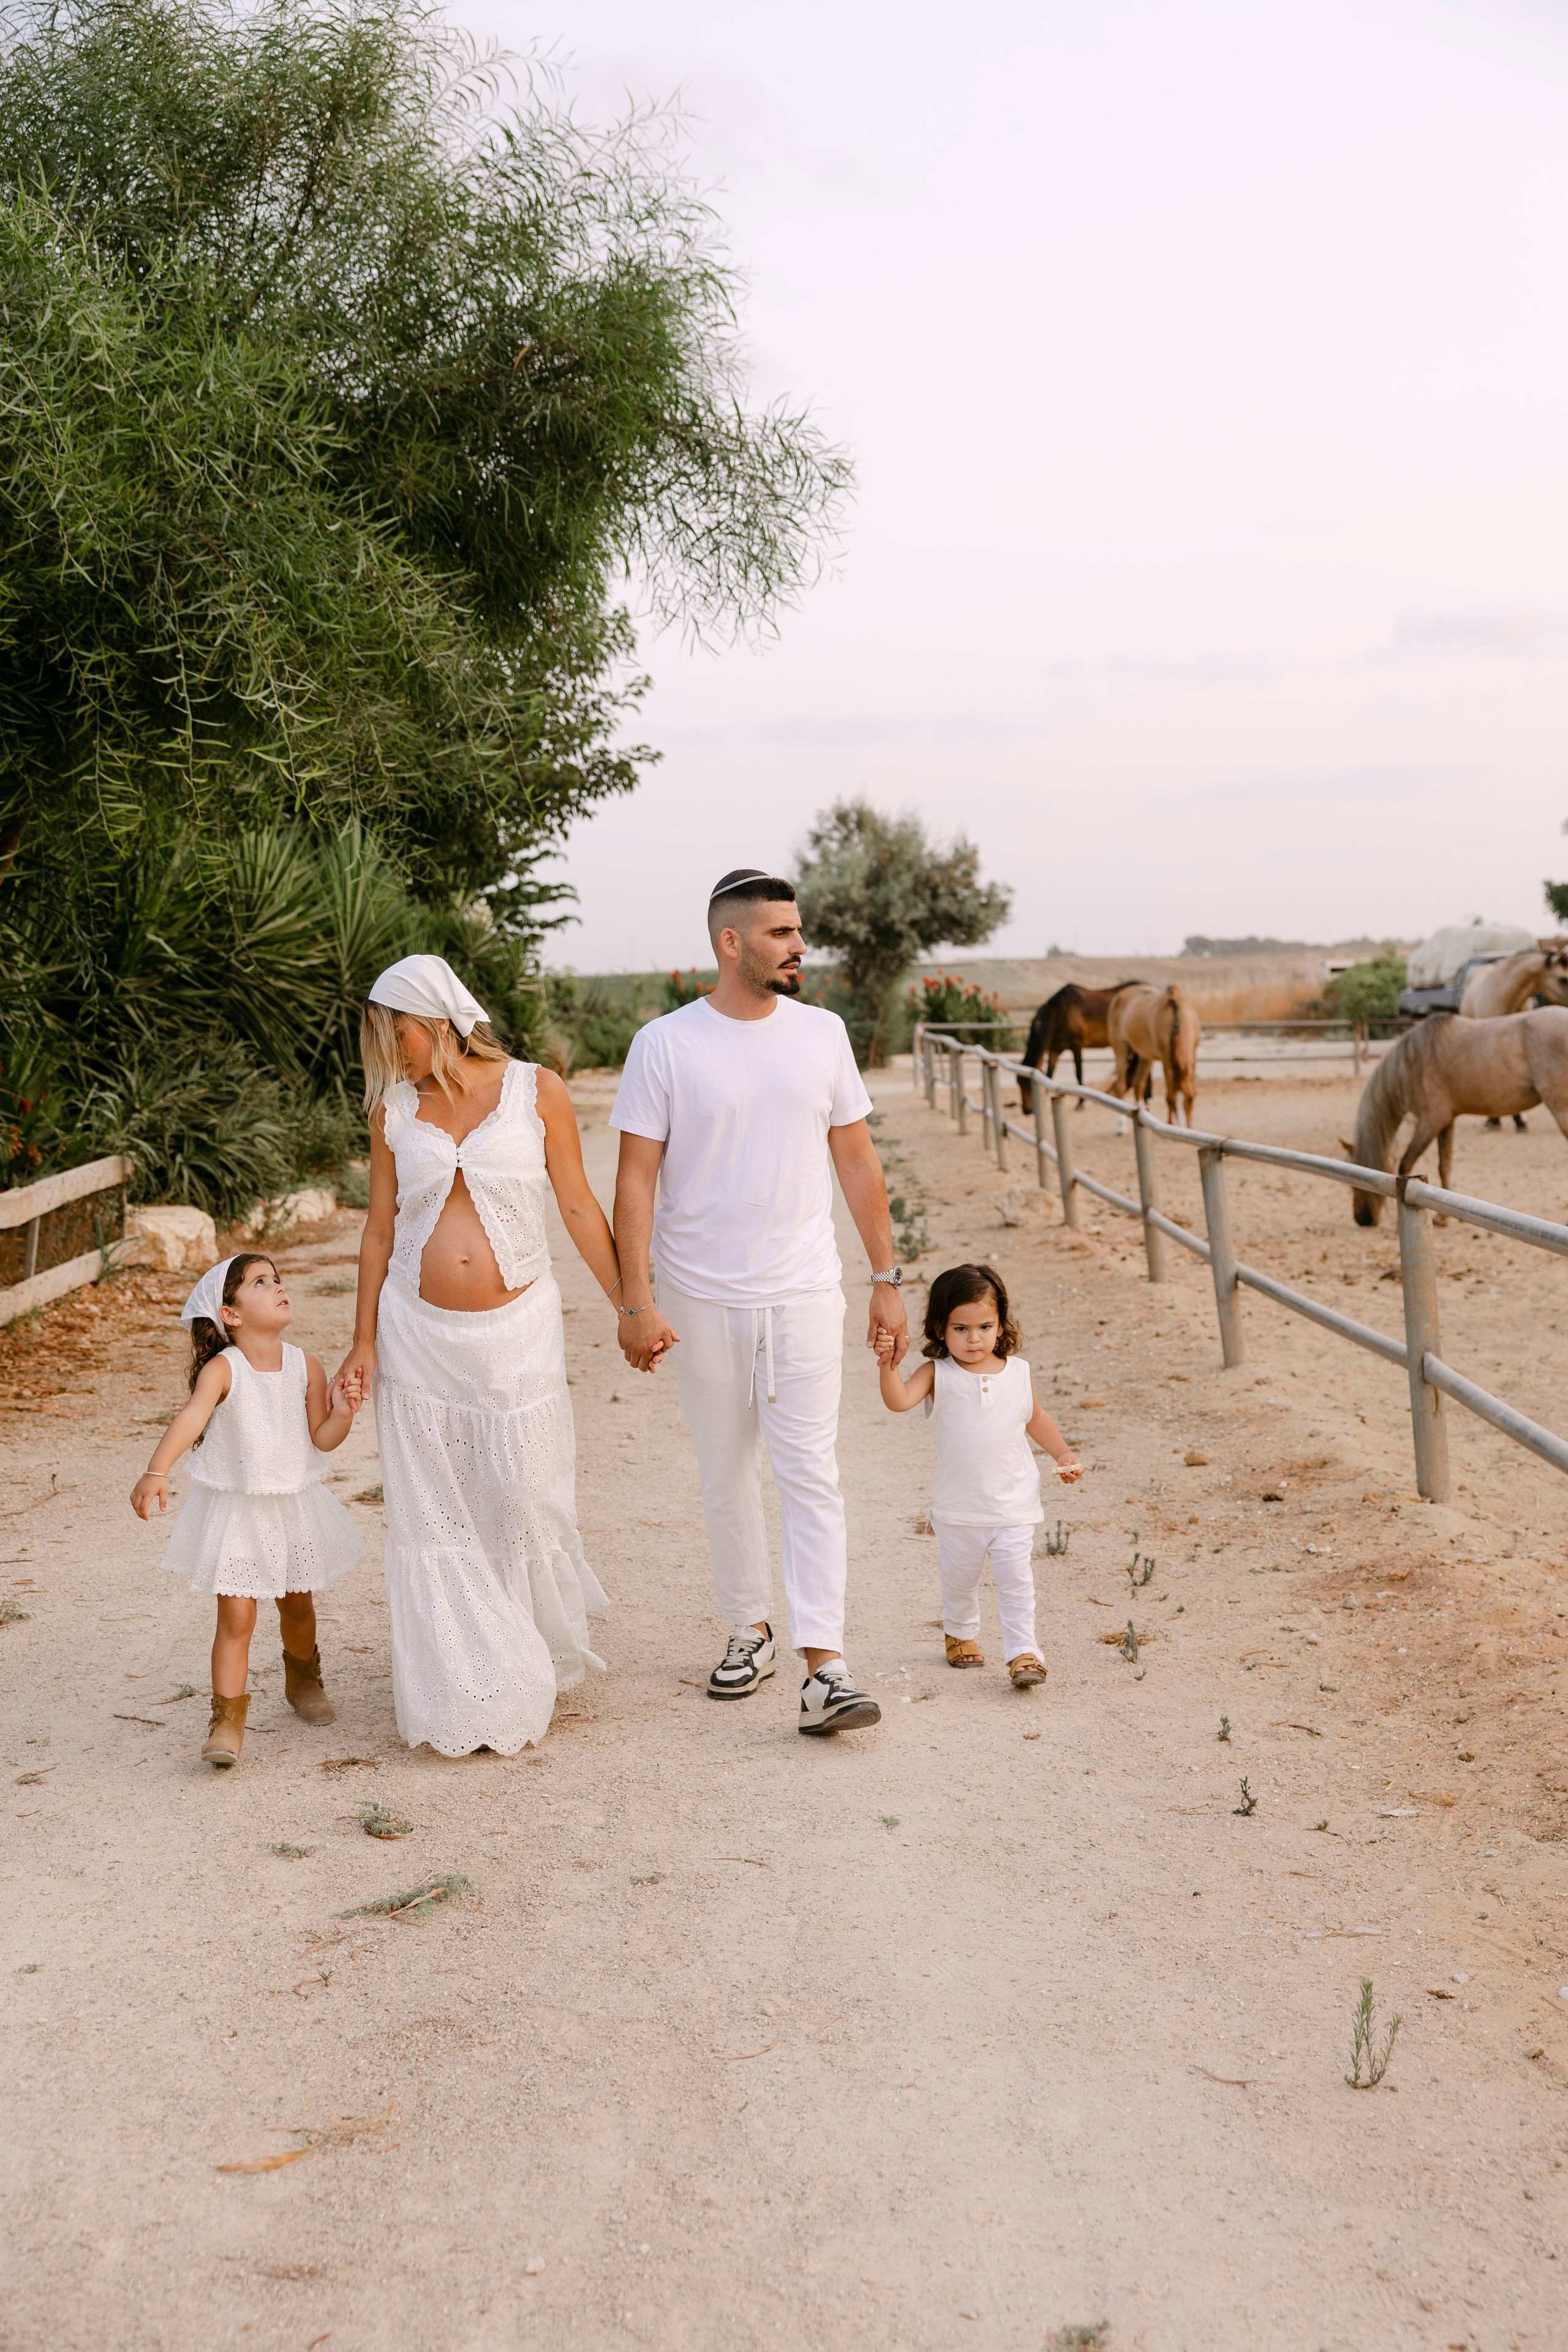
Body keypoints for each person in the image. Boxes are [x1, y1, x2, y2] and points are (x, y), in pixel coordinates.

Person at [611, 869, 908, 1735]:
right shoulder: (665, 1045)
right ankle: (750, 1626)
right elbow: (635, 1181)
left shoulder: (823, 1034)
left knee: (812, 1470)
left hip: (807, 1290)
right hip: (701, 1297)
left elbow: (857, 1162)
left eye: (798, 930)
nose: (799, 946)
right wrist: (636, 1300)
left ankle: (828, 1664)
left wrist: (886, 1280)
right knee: (726, 1473)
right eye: (781, 933)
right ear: (730, 943)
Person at [335, 955, 620, 1758]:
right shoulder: (393, 1112)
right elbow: (381, 1232)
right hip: (417, 1337)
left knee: (523, 1498)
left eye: (400, 1034)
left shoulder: (537, 1092)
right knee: (437, 1513)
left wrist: (632, 1305)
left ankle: (526, 1649)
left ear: (435, 1019)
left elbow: (575, 1203)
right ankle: (470, 1681)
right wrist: (362, 1344)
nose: (394, 1053)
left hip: (519, 1332)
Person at [130, 1252, 366, 1769]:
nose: (279, 1286)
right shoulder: (223, 1369)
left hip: (291, 1507)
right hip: (239, 1510)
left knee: (298, 1605)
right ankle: (227, 1718)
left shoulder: (306, 1364)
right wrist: (157, 1470)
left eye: (278, 1279)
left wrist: (343, 1413)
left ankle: (303, 1677)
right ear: (231, 1314)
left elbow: (321, 1438)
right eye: (261, 1282)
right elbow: (192, 1417)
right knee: (237, 1616)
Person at [874, 1261, 1081, 1687]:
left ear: (1001, 1322)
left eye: (985, 1326)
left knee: (1017, 1580)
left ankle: (1025, 1652)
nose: (974, 1339)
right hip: (959, 1508)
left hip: (1013, 1505)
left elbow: (1035, 1417)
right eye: (961, 1329)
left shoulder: (1019, 1373)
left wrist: (1062, 1453)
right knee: (961, 1578)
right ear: (940, 1329)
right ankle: (961, 1633)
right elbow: (898, 1401)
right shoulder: (938, 1374)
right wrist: (886, 1364)